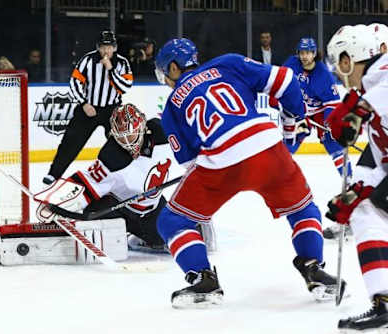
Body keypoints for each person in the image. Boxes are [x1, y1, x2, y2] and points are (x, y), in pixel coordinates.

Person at [153, 38, 345, 308]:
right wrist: (298, 113)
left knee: (172, 221)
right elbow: (286, 81)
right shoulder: (228, 63)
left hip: (222, 161)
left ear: (173, 68)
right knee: (302, 209)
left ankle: (203, 280)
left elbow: (191, 162)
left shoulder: (172, 103)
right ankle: (314, 268)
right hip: (267, 143)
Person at [36, 104, 196, 253]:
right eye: (121, 138)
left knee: (177, 239)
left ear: (142, 127)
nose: (127, 143)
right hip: (119, 208)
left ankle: (140, 238)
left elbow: (193, 139)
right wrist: (54, 203)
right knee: (92, 213)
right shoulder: (112, 156)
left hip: (153, 209)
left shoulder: (163, 132)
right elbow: (84, 182)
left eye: (131, 136)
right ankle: (122, 233)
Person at [325, 24, 388, 331]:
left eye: (339, 62)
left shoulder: (381, 79)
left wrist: (357, 109)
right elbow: (376, 167)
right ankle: (384, 300)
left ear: (349, 59)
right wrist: (352, 196)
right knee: (365, 211)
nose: (338, 72)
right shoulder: (370, 92)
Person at [280, 37, 353, 240]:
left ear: (314, 53)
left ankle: (349, 181)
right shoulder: (291, 64)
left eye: (308, 53)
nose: (304, 56)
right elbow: (281, 82)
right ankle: (278, 175)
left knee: (334, 146)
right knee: (290, 141)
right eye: (301, 52)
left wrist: (329, 125)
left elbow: (332, 104)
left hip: (321, 113)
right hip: (297, 110)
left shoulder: (323, 75)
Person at [42, 30, 133, 186]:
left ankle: (124, 174)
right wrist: (83, 103)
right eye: (103, 47)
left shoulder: (122, 63)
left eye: (109, 47)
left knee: (120, 142)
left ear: (115, 47)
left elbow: (124, 87)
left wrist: (110, 69)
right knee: (70, 142)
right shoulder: (88, 60)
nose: (106, 51)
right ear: (98, 47)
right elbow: (75, 82)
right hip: (88, 108)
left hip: (112, 109)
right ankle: (54, 173)